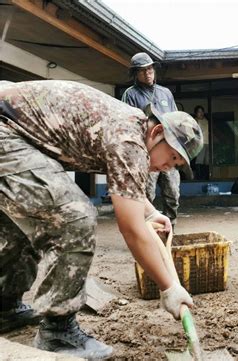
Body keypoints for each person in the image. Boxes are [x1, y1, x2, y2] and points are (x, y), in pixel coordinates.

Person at [0, 80, 203, 358]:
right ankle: (58, 332)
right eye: (172, 157)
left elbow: (126, 186)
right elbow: (131, 229)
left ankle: (4, 306)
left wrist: (151, 212)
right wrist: (169, 288)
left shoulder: (131, 127)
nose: (168, 166)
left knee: (23, 223)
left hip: (13, 132)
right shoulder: (130, 140)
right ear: (157, 132)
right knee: (74, 217)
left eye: (176, 165)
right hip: (6, 131)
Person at [122, 52, 181, 228]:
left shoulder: (165, 93)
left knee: (173, 193)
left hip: (168, 151)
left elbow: (176, 119)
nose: (148, 73)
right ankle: (147, 230)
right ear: (135, 74)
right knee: (147, 194)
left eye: (150, 69)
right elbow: (127, 124)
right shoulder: (130, 94)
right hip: (146, 155)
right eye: (142, 71)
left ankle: (171, 228)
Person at [193, 105, 210, 180]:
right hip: (200, 143)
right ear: (196, 113)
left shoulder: (207, 120)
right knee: (199, 160)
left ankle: (206, 177)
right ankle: (199, 178)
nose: (201, 113)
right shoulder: (195, 120)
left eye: (202, 111)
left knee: (207, 161)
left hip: (208, 142)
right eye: (199, 112)